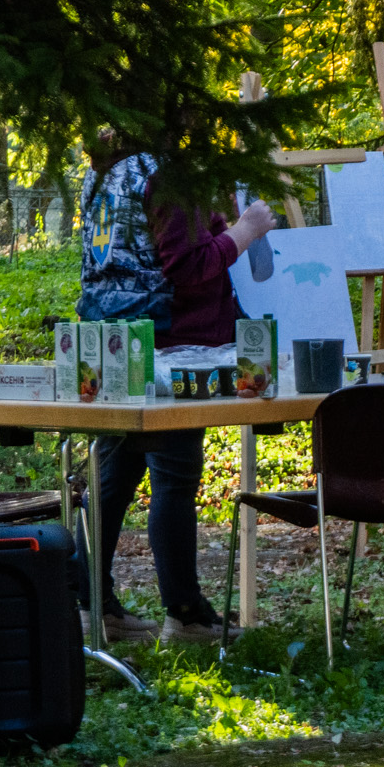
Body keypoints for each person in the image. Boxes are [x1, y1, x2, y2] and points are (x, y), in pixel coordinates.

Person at [77, 139, 277, 642]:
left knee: (115, 476)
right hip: (170, 345)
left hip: (114, 338)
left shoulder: (108, 171)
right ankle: (185, 614)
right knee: (174, 475)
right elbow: (187, 268)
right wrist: (245, 231)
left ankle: (90, 603)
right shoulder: (164, 173)